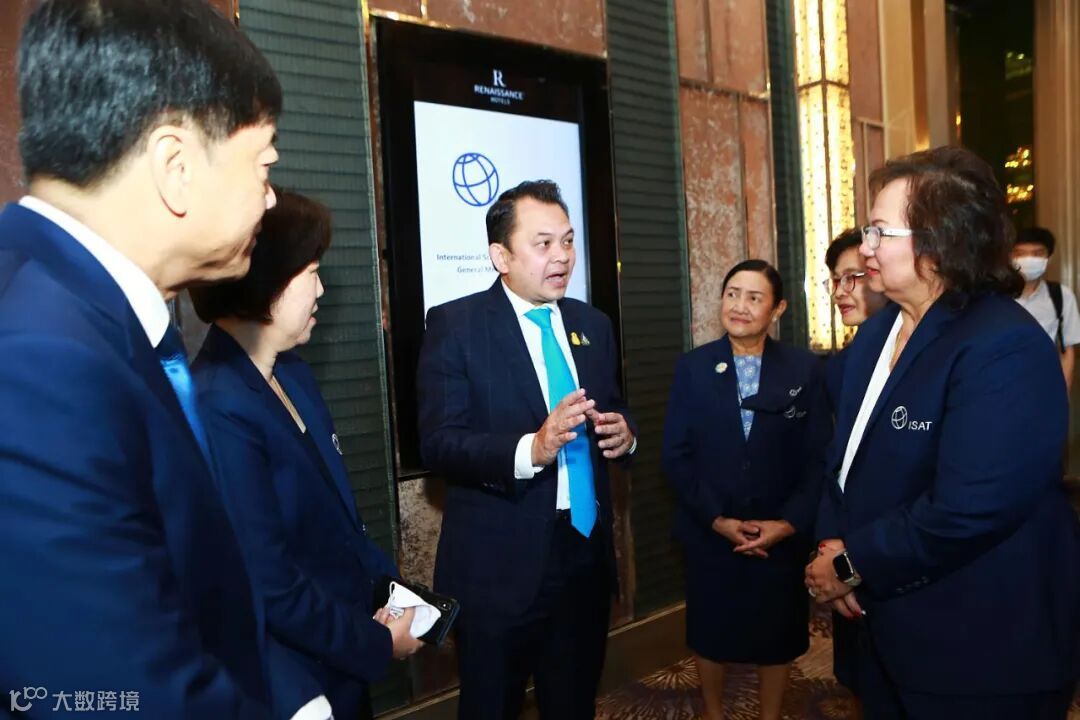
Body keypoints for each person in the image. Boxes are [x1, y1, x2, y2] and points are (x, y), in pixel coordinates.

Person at [0, 0, 307, 717]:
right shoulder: (40, 360)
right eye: (263, 164)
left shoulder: (79, 308)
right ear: (176, 166)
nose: (269, 199)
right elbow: (115, 694)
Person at [805, 146, 1080, 719]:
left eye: (879, 231)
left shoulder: (1004, 346)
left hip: (978, 647)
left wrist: (850, 566)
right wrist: (832, 546)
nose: (865, 247)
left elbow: (967, 509)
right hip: (880, 632)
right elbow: (842, 462)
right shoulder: (876, 335)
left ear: (940, 241)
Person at [190, 189, 423, 720]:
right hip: (294, 684)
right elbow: (269, 584)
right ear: (264, 280)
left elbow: (340, 521)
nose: (320, 289)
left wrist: (394, 591)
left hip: (343, 658)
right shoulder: (218, 405)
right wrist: (376, 645)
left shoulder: (292, 372)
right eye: (311, 272)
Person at [416, 180, 636, 720]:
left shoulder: (593, 325)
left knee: (573, 705)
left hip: (583, 556)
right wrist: (531, 449)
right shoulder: (456, 326)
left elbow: (612, 410)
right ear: (502, 256)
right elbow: (439, 442)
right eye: (543, 244)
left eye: (568, 241)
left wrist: (625, 437)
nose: (562, 256)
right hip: (498, 566)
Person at [663, 260, 830, 720]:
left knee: (777, 635)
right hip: (710, 528)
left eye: (754, 298)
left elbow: (819, 458)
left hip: (778, 531)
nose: (739, 306)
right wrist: (717, 519)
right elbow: (676, 455)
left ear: (778, 309)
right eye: (732, 293)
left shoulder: (804, 369)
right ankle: (714, 712)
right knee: (710, 631)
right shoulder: (694, 367)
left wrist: (788, 523)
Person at [821, 228, 888, 714]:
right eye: (835, 280)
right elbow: (832, 464)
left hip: (895, 549)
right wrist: (830, 547)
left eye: (854, 278)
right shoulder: (839, 366)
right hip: (846, 541)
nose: (841, 291)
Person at [1012, 226, 1080, 392]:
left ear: (1049, 257)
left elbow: (1067, 352)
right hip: (1002, 387)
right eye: (1020, 253)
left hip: (1045, 386)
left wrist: (1063, 394)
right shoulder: (994, 297)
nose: (1029, 259)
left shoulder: (1061, 296)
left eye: (1037, 253)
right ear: (1009, 257)